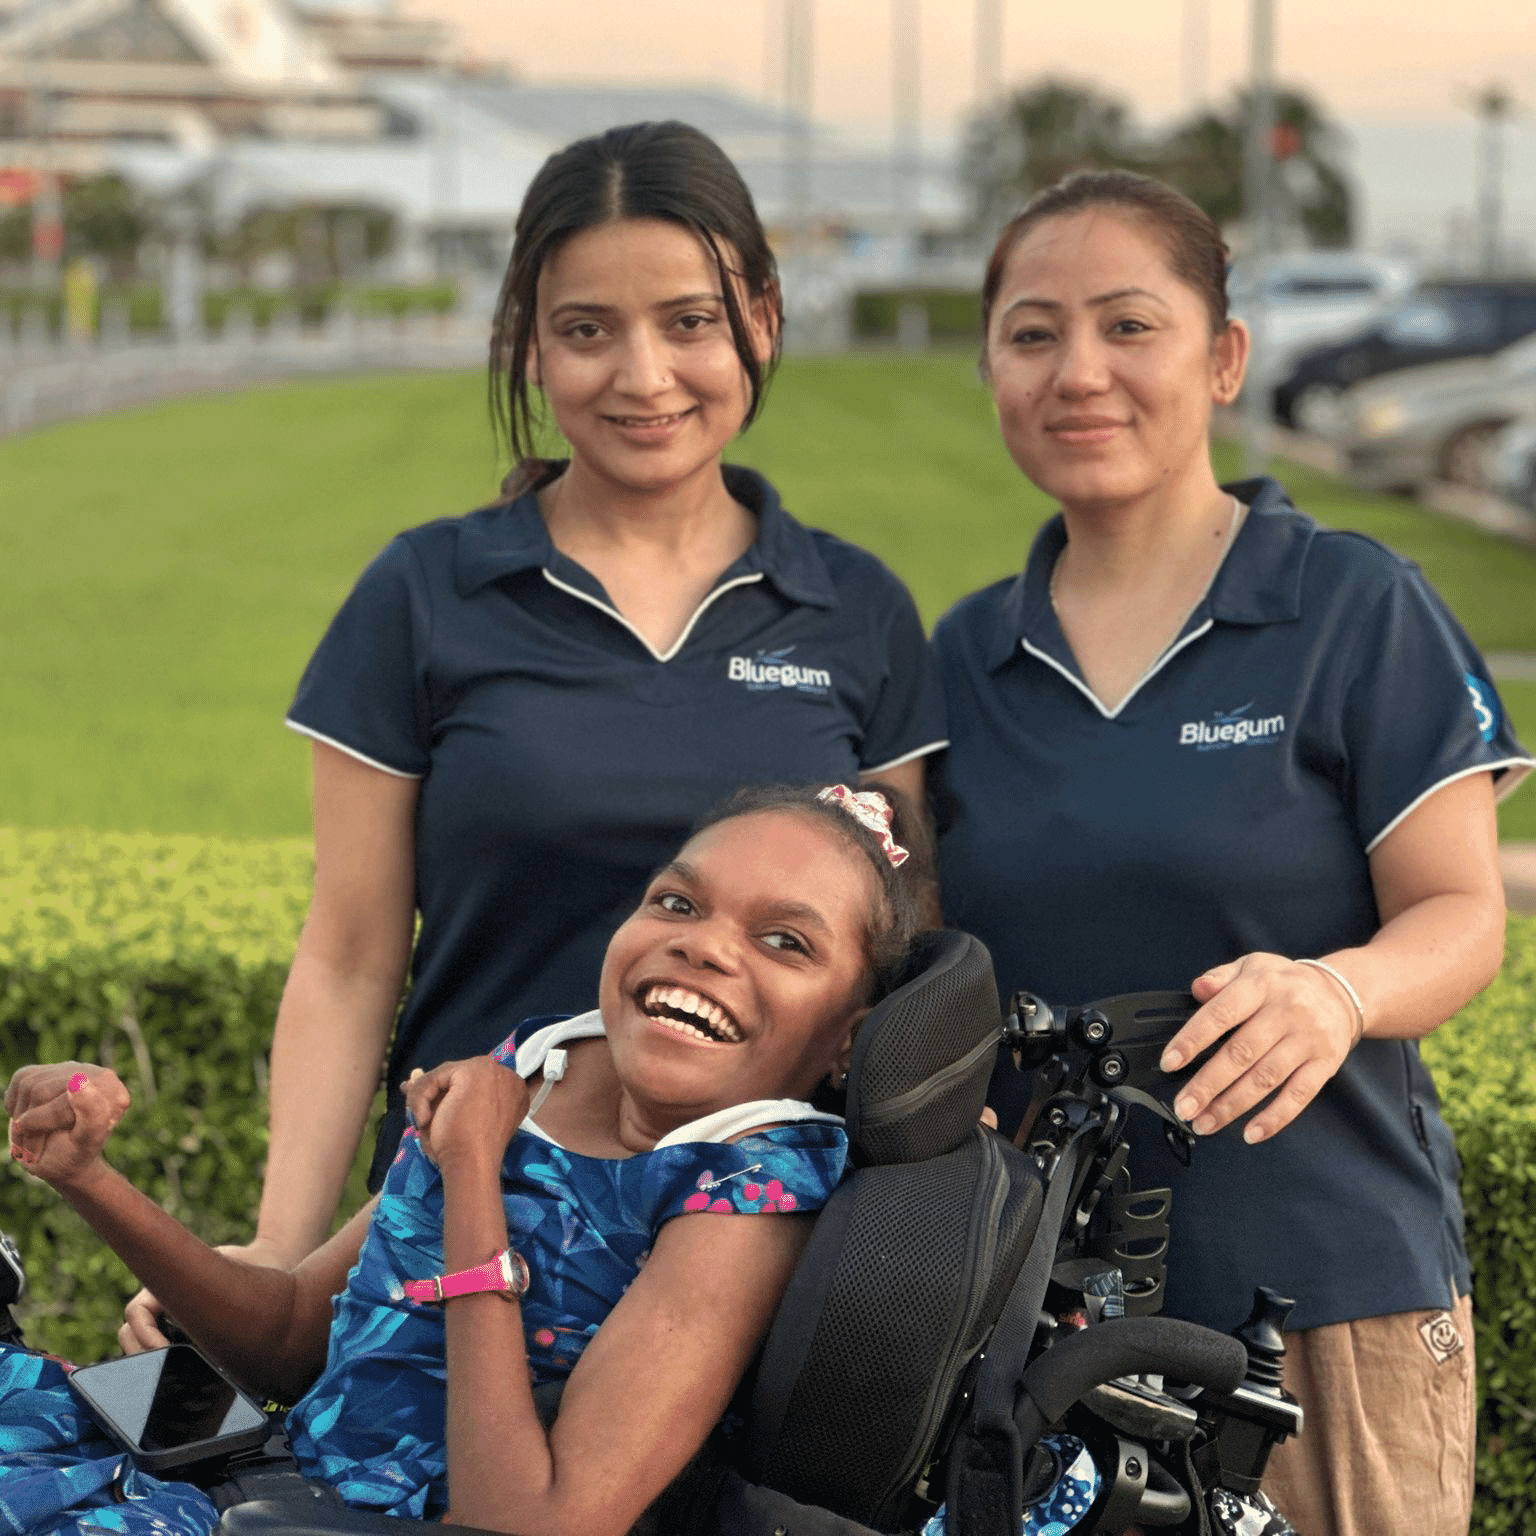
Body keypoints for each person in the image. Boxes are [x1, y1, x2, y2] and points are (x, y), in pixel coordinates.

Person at [123, 120, 945, 1341]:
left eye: (689, 321)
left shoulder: (857, 610)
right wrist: (282, 1254)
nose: (642, 375)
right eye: (585, 330)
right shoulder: (423, 596)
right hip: (459, 1244)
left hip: (756, 1262)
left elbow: (904, 954)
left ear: (762, 319)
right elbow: (350, 954)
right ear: (530, 343)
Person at [931, 170, 1532, 1536]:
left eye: (1128, 325)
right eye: (1033, 334)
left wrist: (1339, 992)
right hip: (1037, 1329)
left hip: (1325, 1310)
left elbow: (1457, 912)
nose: (1079, 371)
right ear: (993, 369)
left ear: (1223, 359)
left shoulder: (1352, 604)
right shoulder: (960, 660)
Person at [2, 784, 920, 1536]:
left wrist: (475, 1172)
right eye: (677, 901)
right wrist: (86, 1175)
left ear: (848, 1038)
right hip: (276, 1471)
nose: (705, 943)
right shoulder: (533, 1064)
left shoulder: (746, 1191)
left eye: (784, 942)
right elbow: (288, 1342)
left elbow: (530, 1522)